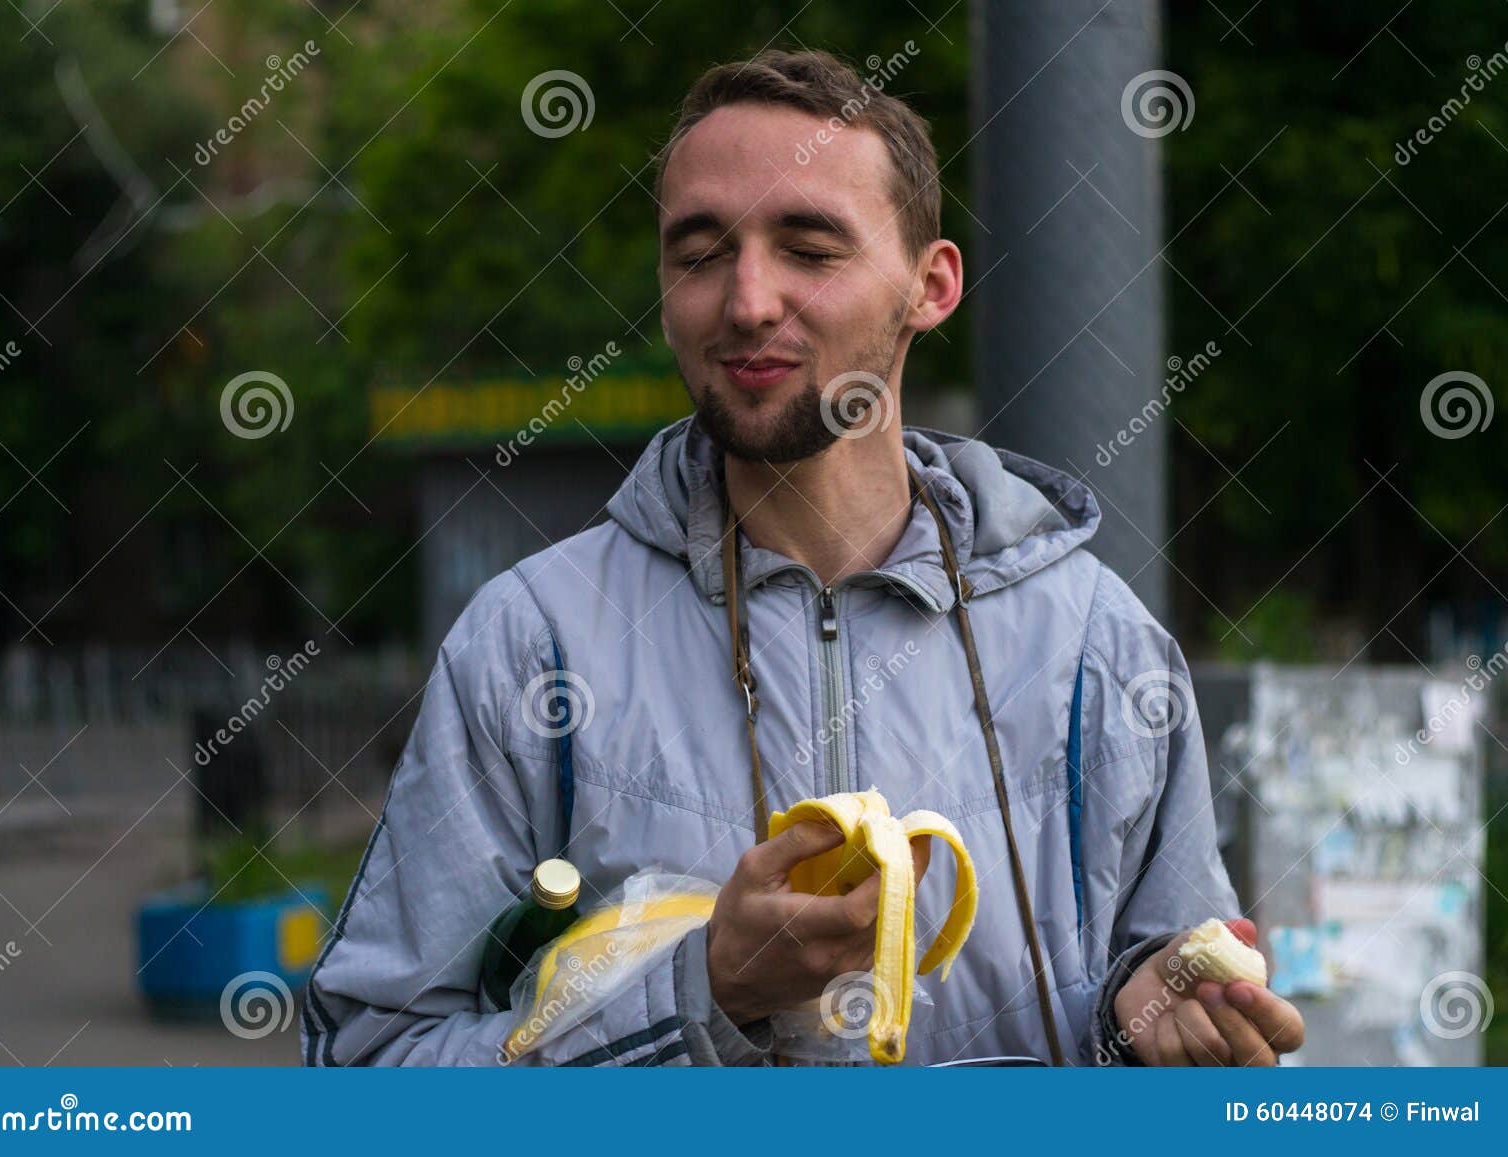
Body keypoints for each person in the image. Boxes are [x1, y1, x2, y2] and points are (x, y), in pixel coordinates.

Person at [301, 48, 1305, 1067]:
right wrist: (703, 993)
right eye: (699, 252)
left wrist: (1154, 1030)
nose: (744, 302)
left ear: (931, 285)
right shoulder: (532, 643)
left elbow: (1166, 997)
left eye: (809, 247)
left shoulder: (1101, 639)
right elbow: (367, 1061)